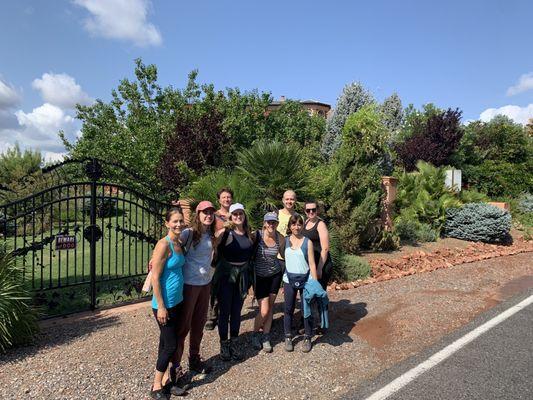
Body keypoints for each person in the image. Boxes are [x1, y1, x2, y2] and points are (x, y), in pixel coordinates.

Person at [172, 201, 216, 383]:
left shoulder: (211, 235)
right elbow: (170, 244)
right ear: (198, 215)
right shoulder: (189, 233)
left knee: (199, 324)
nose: (208, 215)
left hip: (205, 284)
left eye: (211, 213)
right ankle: (175, 368)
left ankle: (194, 359)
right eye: (205, 212)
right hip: (189, 285)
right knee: (183, 327)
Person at [149, 207, 187, 399]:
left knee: (165, 342)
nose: (179, 224)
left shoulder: (179, 242)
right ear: (167, 223)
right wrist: (161, 306)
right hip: (164, 304)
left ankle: (165, 382)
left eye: (181, 221)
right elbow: (155, 277)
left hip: (178, 300)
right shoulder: (163, 245)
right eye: (175, 221)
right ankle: (156, 386)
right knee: (171, 345)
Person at [212, 203, 254, 361]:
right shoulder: (225, 233)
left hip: (242, 276)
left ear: (244, 215)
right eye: (235, 214)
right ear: (230, 216)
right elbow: (211, 246)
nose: (238, 216)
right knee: (225, 311)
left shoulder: (249, 233)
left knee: (236, 311)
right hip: (226, 276)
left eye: (240, 214)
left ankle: (234, 342)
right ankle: (224, 344)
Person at [250, 212, 286, 353]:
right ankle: (255, 333)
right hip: (259, 277)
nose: (271, 225)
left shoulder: (280, 238)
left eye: (274, 222)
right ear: (264, 223)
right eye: (269, 222)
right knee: (264, 310)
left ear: (277, 224)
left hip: (275, 276)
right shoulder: (256, 236)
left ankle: (266, 336)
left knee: (270, 307)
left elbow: (286, 254)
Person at [283, 213, 318, 353]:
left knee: (306, 310)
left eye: (299, 224)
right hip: (288, 280)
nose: (296, 227)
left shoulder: (307, 242)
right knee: (288, 309)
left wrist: (315, 284)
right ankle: (288, 337)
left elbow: (312, 264)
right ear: (290, 226)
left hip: (306, 280)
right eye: (293, 224)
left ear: (302, 225)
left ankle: (308, 336)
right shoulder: (285, 241)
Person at [302, 200, 332, 291]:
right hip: (310, 263)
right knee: (311, 292)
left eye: (313, 209)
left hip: (321, 262)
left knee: (319, 292)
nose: (311, 212)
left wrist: (319, 268)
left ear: (317, 210)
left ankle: (323, 306)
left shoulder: (320, 224)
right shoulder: (306, 222)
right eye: (308, 210)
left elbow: (325, 248)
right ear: (305, 211)